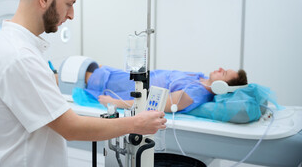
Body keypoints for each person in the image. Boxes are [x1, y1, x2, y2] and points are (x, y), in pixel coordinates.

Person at [0, 0, 166, 167]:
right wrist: (137, 123)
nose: (72, 15)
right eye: (69, 4)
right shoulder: (19, 56)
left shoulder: (11, 45)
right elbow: (71, 128)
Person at [83, 65, 248, 113]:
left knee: (87, 77)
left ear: (222, 87)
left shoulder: (195, 93)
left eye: (224, 73)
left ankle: (57, 79)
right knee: (98, 69)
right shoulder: (199, 77)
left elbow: (156, 104)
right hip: (137, 75)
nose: (219, 68)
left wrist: (117, 102)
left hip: (133, 87)